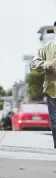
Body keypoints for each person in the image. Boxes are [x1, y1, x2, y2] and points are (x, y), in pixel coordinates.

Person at [30, 21, 56, 149]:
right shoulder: (47, 47)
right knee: (55, 123)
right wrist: (45, 64)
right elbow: (34, 63)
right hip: (53, 91)